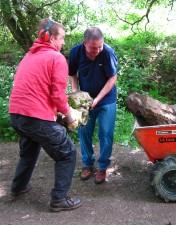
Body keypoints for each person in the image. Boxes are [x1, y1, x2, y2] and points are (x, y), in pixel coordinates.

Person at [9, 18, 82, 212]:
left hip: (17, 116)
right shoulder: (56, 58)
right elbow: (57, 95)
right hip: (35, 117)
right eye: (62, 38)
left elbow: (38, 90)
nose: (63, 43)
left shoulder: (28, 56)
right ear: (50, 38)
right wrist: (69, 115)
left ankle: (18, 188)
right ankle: (59, 200)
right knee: (67, 153)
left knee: (29, 150)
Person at [69, 27, 118, 184]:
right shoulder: (76, 52)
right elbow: (72, 75)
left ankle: (102, 167)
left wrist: (97, 99)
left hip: (106, 99)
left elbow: (112, 78)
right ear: (85, 43)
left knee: (106, 133)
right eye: (93, 48)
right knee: (84, 132)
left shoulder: (108, 52)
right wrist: (76, 93)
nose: (97, 50)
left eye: (99, 46)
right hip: (84, 99)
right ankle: (87, 164)